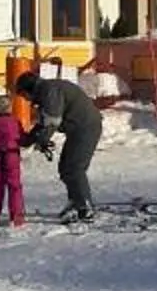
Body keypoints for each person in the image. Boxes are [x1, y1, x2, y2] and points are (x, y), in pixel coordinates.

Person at [11, 66, 103, 221]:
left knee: (74, 168)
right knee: (66, 168)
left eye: (23, 95)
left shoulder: (50, 91)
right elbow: (44, 123)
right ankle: (76, 201)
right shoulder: (46, 91)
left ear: (29, 89)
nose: (25, 99)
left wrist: (42, 139)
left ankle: (84, 206)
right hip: (78, 128)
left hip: (86, 128)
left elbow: (51, 121)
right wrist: (27, 140)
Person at [0, 91, 27, 226]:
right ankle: (16, 216)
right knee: (14, 186)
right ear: (9, 107)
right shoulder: (14, 121)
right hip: (11, 155)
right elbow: (21, 137)